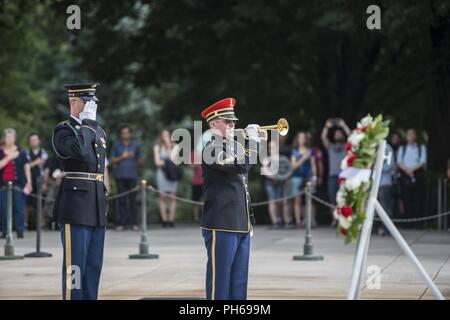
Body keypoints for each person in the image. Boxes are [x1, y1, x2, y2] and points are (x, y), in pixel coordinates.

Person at [52, 83, 107, 300]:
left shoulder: (96, 129)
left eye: (94, 103)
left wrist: (89, 125)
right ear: (74, 102)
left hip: (96, 205)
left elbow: (101, 168)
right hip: (75, 206)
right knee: (74, 267)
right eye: (88, 102)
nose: (92, 107)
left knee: (93, 267)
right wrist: (86, 123)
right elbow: (79, 152)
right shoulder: (63, 130)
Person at [200, 97, 259, 300]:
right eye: (228, 121)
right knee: (221, 284)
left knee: (238, 283)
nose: (233, 125)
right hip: (222, 223)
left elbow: (243, 185)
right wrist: (253, 143)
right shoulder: (211, 149)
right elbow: (240, 167)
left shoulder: (235, 147)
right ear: (213, 124)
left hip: (240, 223)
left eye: (234, 121)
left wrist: (248, 220)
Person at [0, 128, 32, 239]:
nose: (10, 139)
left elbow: (26, 167)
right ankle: (5, 231)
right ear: (4, 138)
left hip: (18, 184)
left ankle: (20, 231)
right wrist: (10, 157)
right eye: (8, 137)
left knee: (19, 208)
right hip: (3, 185)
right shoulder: (0, 151)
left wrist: (29, 182)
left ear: (15, 138)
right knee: (3, 209)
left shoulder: (21, 151)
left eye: (12, 137)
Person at [110, 125, 142, 231]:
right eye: (123, 133)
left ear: (130, 134)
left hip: (132, 175)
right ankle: (120, 223)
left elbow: (140, 160)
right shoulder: (116, 145)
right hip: (120, 176)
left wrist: (136, 169)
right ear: (121, 134)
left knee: (133, 200)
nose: (125, 134)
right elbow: (112, 160)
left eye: (127, 132)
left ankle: (134, 223)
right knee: (121, 200)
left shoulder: (135, 145)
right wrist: (122, 157)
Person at [321, 118, 351, 225]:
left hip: (344, 176)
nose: (338, 135)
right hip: (332, 176)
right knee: (332, 198)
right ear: (333, 136)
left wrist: (343, 125)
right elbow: (323, 137)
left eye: (340, 133)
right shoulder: (330, 146)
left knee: (344, 198)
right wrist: (327, 127)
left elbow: (352, 137)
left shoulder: (347, 146)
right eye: (336, 133)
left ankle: (345, 219)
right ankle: (335, 219)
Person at [396, 129, 427, 229]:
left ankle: (418, 222)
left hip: (417, 173)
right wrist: (407, 170)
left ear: (415, 136)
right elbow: (399, 161)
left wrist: (412, 169)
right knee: (406, 199)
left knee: (418, 199)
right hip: (405, 174)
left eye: (413, 134)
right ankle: (407, 221)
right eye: (409, 134)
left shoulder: (421, 147)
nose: (411, 136)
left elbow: (422, 161)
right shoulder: (402, 148)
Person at [290, 132, 317, 228]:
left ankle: (311, 220)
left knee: (309, 199)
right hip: (297, 177)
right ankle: (298, 221)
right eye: (300, 137)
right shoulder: (294, 152)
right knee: (297, 200)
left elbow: (314, 165)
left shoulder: (310, 151)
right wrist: (303, 158)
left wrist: (315, 177)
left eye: (303, 137)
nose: (302, 139)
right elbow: (294, 166)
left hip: (308, 177)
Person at [154, 129, 179, 227]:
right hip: (162, 173)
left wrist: (169, 149)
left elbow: (176, 161)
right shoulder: (158, 147)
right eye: (164, 135)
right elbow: (157, 162)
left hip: (172, 173)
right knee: (162, 196)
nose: (166, 137)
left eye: (167, 135)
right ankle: (164, 220)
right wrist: (168, 162)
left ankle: (171, 220)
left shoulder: (175, 146)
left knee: (173, 196)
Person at [25, 133, 48, 230]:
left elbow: (46, 169)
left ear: (39, 141)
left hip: (40, 180)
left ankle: (42, 225)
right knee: (27, 204)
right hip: (28, 181)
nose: (33, 142)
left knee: (41, 204)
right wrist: (36, 163)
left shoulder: (43, 153)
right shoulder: (26, 153)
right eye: (31, 140)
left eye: (35, 140)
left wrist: (45, 183)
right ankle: (25, 225)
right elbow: (26, 166)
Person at [261, 141, 284, 228]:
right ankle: (275, 221)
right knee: (272, 201)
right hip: (270, 182)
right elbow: (264, 170)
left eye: (274, 147)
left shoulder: (280, 158)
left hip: (279, 182)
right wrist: (273, 176)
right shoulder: (266, 158)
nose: (272, 149)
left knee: (279, 201)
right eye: (270, 147)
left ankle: (279, 219)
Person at [376, 143, 395, 236]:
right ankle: (375, 228)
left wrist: (376, 167)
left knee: (385, 207)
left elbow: (389, 165)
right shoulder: (373, 146)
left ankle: (387, 228)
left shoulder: (387, 148)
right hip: (374, 182)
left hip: (384, 182)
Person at [42, 156, 64, 230]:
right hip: (52, 183)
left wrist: (62, 175)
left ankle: (58, 224)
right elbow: (47, 171)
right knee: (48, 202)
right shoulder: (51, 159)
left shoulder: (67, 157)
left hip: (63, 184)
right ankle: (47, 224)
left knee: (61, 204)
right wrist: (45, 183)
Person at [389, 132, 405, 218]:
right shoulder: (389, 149)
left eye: (396, 139)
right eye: (393, 138)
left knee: (400, 198)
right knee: (391, 199)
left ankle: (401, 217)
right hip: (390, 176)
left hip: (400, 176)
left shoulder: (402, 149)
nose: (395, 141)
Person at [190, 144, 203, 223]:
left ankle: (204, 216)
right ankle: (196, 218)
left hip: (206, 180)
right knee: (195, 200)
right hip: (196, 181)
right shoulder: (193, 153)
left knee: (206, 200)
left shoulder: (208, 150)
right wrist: (198, 164)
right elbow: (190, 165)